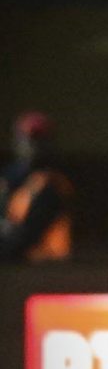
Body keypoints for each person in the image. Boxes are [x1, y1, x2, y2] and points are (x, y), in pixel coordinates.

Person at [0, 111, 73, 262]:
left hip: (42, 259)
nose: (31, 145)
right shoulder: (9, 175)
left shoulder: (52, 181)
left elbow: (27, 233)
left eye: (38, 139)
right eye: (25, 138)